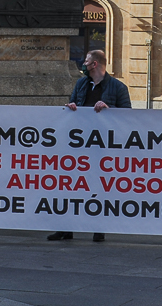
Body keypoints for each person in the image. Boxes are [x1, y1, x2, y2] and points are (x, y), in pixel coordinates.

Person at [52, 49, 132, 243]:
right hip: (78, 144)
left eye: (86, 60)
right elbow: (72, 103)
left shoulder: (117, 87)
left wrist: (108, 110)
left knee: (98, 187)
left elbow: (128, 116)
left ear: (94, 64)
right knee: (70, 186)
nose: (83, 63)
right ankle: (66, 228)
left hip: (101, 146)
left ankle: (98, 228)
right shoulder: (81, 83)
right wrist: (71, 108)